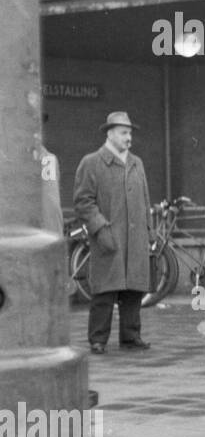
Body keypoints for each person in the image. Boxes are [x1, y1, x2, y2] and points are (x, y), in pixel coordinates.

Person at [73, 111, 153, 353]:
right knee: (105, 291)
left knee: (133, 290)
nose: (129, 138)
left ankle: (130, 336)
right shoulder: (91, 162)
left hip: (135, 238)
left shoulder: (137, 163)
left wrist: (150, 232)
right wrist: (99, 227)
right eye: (124, 133)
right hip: (108, 236)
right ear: (110, 134)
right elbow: (83, 201)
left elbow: (145, 199)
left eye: (130, 133)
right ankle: (98, 339)